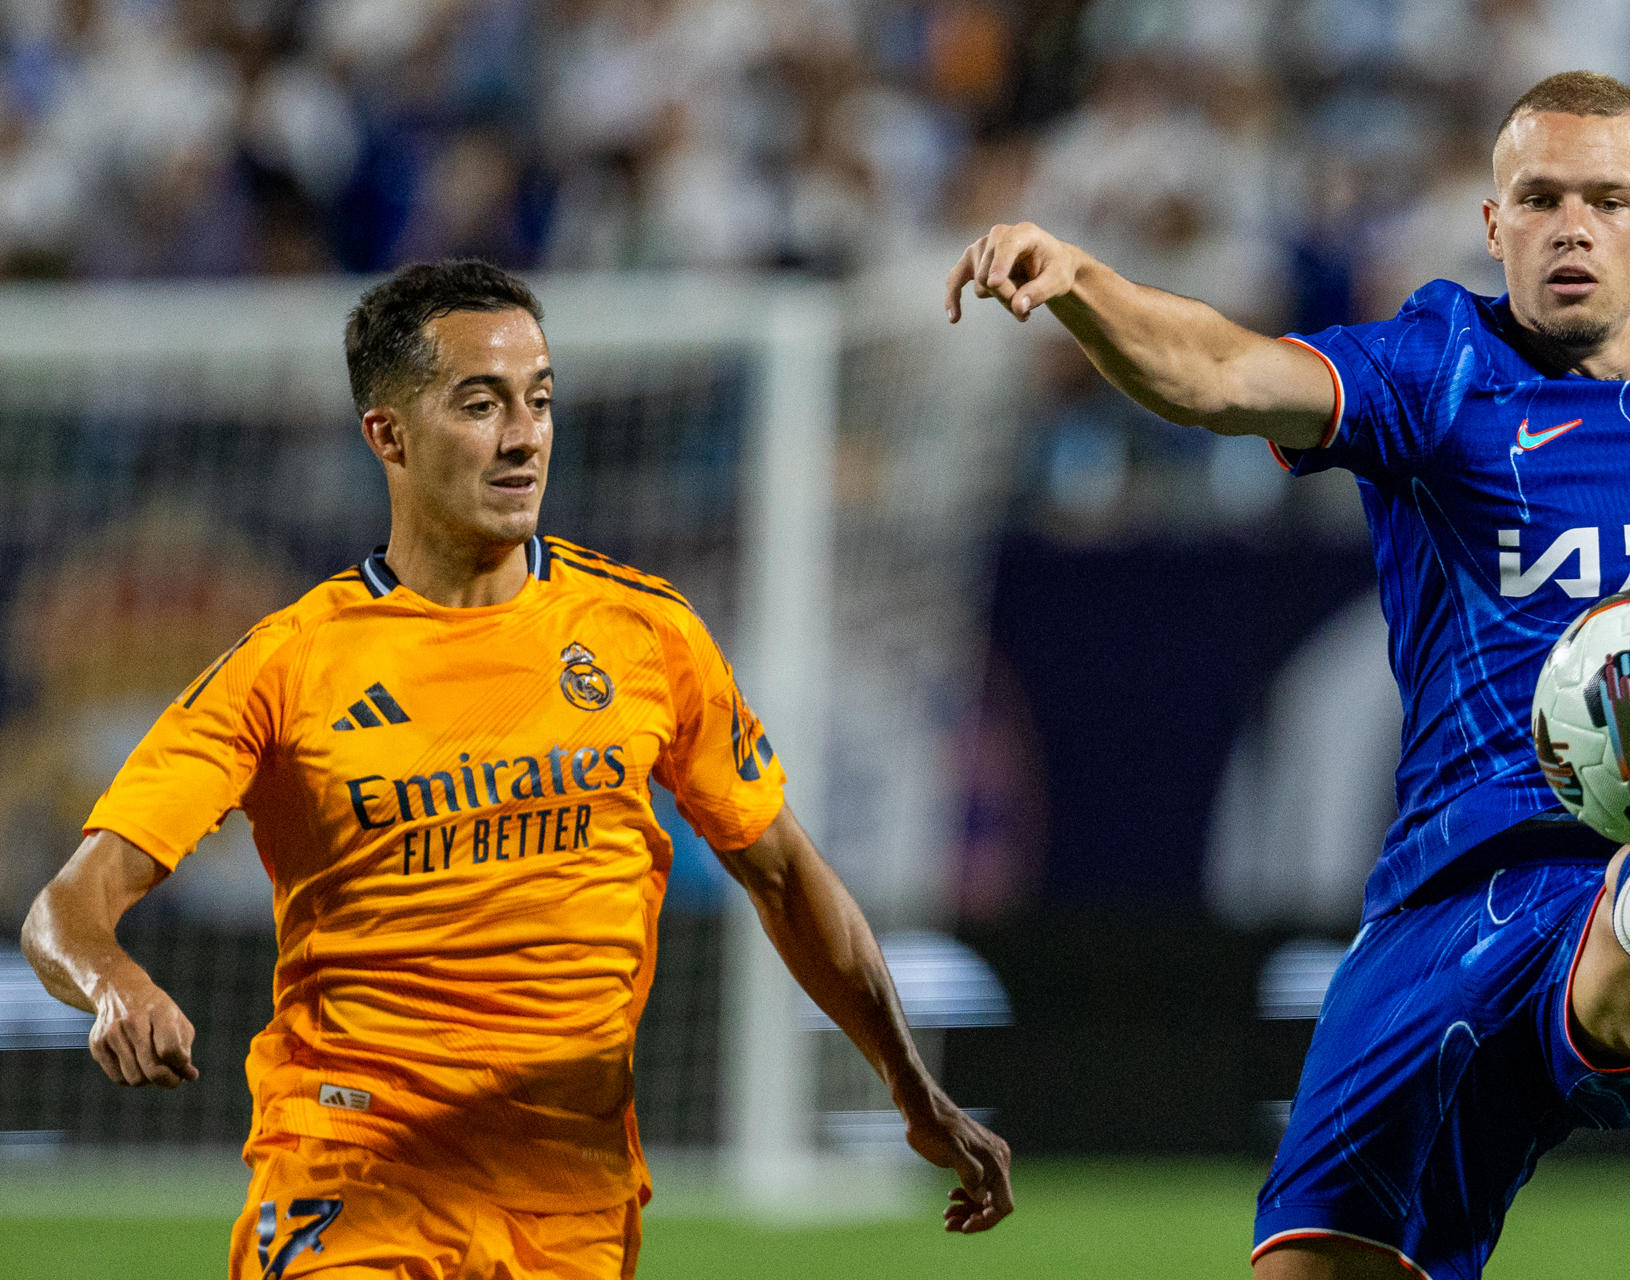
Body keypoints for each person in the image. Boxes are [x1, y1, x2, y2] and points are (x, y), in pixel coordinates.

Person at [945, 71, 1630, 1280]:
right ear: (1493, 224)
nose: (1571, 225)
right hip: (1448, 889)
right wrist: (1083, 283)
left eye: (1605, 199)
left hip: (1615, 865)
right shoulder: (1441, 370)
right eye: (1538, 198)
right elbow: (1224, 375)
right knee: (1311, 1259)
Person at [22, 260, 1013, 1279]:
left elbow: (786, 870)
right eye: (481, 403)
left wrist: (911, 1086)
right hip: (355, 1174)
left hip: (569, 1199)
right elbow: (67, 906)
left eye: (540, 398)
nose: (525, 434)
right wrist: (114, 982)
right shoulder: (290, 662)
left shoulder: (643, 633)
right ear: (388, 435)